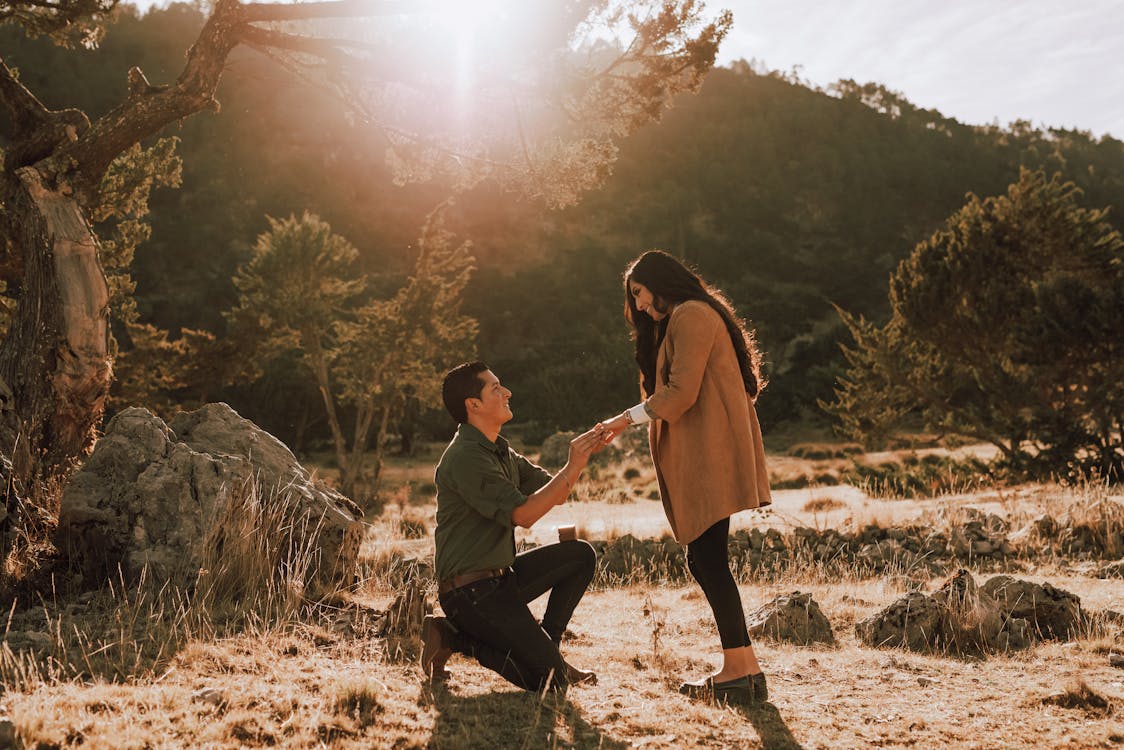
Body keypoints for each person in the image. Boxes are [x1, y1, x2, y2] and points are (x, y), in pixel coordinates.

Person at [598, 250, 772, 705]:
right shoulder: (686, 316)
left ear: (659, 282)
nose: (637, 306)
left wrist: (622, 420)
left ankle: (740, 670)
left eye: (639, 293)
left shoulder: (692, 315)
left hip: (709, 452)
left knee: (708, 560)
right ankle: (745, 671)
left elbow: (680, 393)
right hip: (704, 450)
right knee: (708, 559)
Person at [421, 361, 605, 692]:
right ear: (473, 405)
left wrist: (580, 458)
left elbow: (554, 492)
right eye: (495, 388)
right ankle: (453, 637)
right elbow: (524, 515)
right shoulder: (465, 457)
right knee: (550, 682)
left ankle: (551, 650)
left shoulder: (499, 449)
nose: (507, 392)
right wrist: (572, 465)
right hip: (469, 594)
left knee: (580, 556)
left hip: (502, 581)